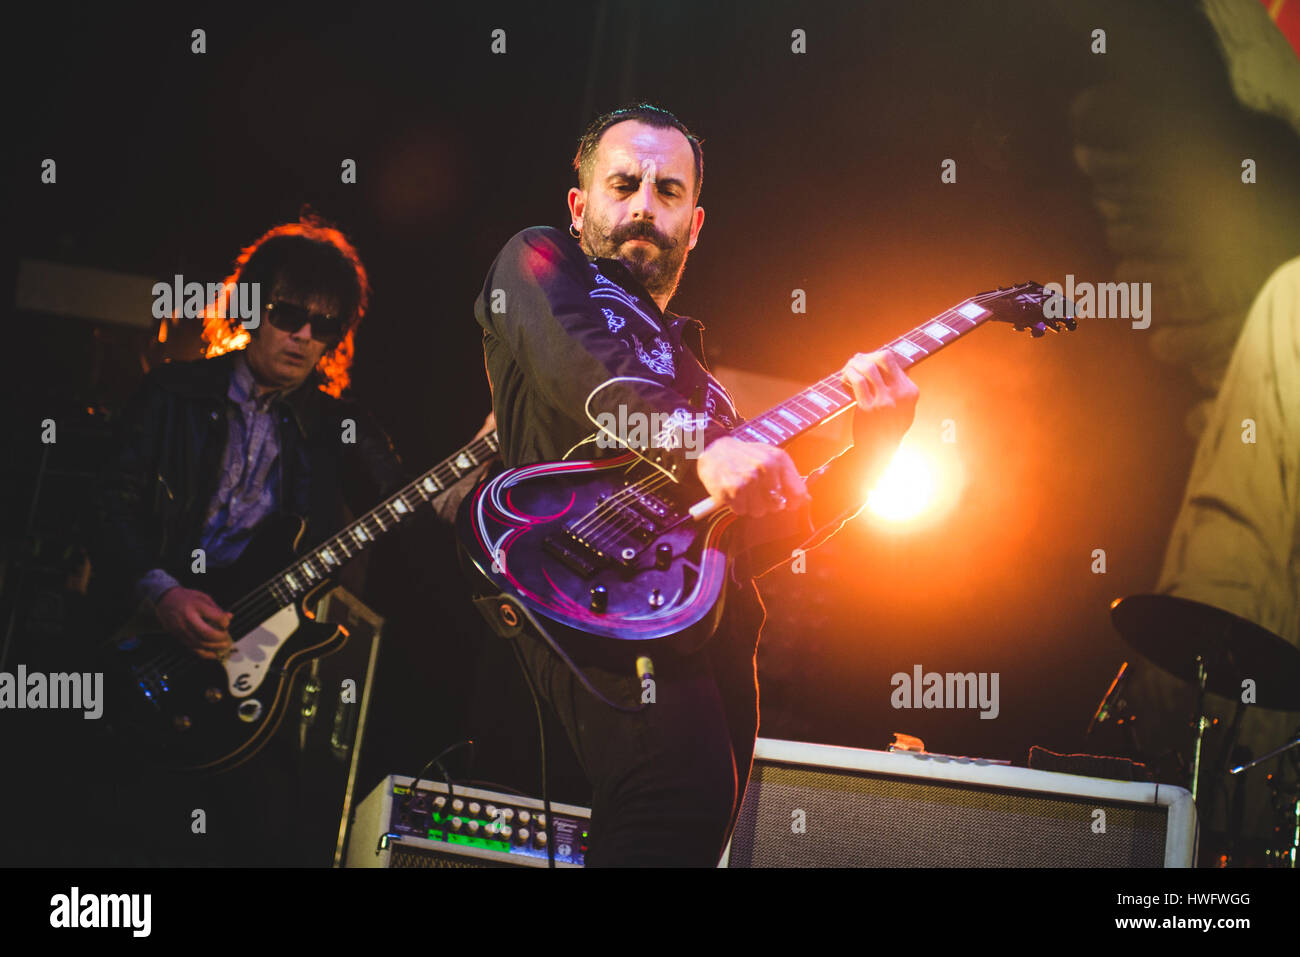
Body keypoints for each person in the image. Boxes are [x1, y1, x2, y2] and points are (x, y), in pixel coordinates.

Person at [471, 103, 919, 866]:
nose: (645, 204)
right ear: (581, 206)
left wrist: (871, 450)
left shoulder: (702, 387)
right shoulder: (541, 263)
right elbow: (590, 371)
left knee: (689, 812)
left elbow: (753, 539)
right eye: (625, 183)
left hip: (699, 631)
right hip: (588, 586)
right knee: (669, 792)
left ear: (695, 223)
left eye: (668, 190)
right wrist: (700, 450)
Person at [86, 215, 409, 865]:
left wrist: (486, 461)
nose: (303, 335)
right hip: (142, 644)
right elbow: (106, 507)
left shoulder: (334, 425)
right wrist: (162, 593)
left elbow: (408, 500)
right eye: (289, 313)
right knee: (114, 838)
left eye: (324, 325)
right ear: (251, 307)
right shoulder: (171, 392)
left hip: (254, 679)